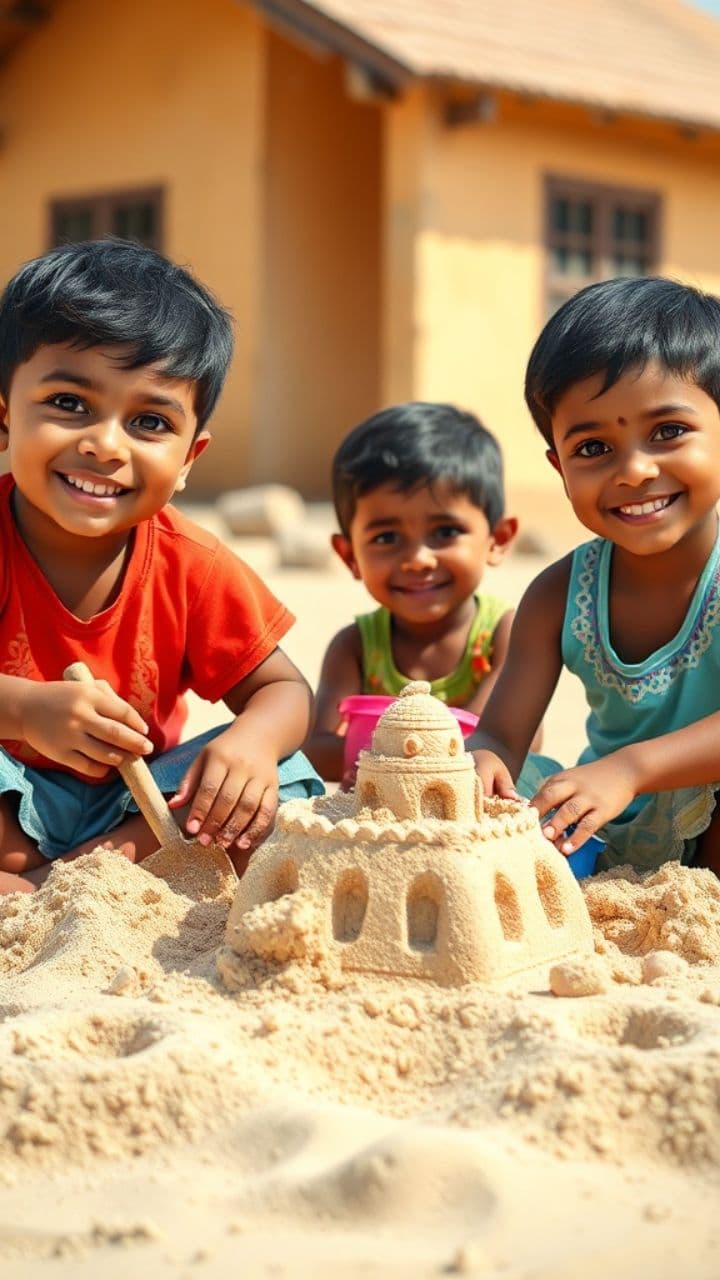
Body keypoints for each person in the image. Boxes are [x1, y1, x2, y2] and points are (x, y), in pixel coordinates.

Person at [0, 238, 321, 895]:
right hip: (10, 803)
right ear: (4, 416)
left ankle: (75, 876)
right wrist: (27, 710)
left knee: (287, 778)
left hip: (132, 811)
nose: (104, 444)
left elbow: (284, 693)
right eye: (69, 403)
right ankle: (37, 877)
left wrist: (251, 746)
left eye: (148, 421)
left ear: (189, 459)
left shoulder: (191, 563)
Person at [468, 275, 720, 876]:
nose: (633, 470)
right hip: (607, 818)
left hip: (695, 803)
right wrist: (483, 764)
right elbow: (503, 734)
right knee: (511, 792)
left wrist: (631, 768)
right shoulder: (559, 593)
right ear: (558, 466)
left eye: (668, 432)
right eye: (592, 449)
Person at [305, 402, 521, 782]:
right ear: (349, 555)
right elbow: (316, 747)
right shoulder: (356, 647)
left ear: (497, 540)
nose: (419, 559)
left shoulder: (501, 635)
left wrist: (396, 751)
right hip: (385, 806)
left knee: (540, 773)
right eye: (387, 538)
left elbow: (517, 736)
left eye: (445, 532)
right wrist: (384, 762)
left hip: (479, 803)